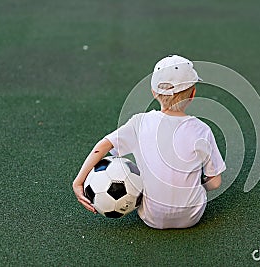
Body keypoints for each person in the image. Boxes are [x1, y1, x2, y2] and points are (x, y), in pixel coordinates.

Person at [72, 55, 226, 229]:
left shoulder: (140, 123)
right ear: (193, 94)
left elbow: (103, 146)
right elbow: (215, 182)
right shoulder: (202, 129)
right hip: (191, 217)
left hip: (152, 218)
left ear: (154, 93)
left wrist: (78, 182)